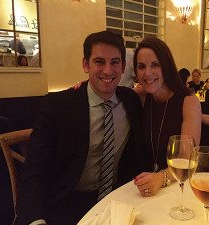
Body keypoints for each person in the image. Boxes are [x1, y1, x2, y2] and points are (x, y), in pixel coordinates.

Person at [14, 31, 148, 225]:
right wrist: (36, 219)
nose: (108, 70)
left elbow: (163, 92)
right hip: (67, 203)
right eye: (99, 62)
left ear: (123, 66)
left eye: (115, 62)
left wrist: (197, 112)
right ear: (86, 65)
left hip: (118, 200)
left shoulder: (131, 100)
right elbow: (35, 171)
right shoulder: (58, 106)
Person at [132, 37, 202, 197]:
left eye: (155, 65)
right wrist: (85, 85)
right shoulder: (141, 96)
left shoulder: (188, 101)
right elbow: (109, 92)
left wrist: (160, 178)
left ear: (167, 66)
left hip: (176, 186)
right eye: (141, 66)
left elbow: (187, 161)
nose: (147, 73)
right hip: (142, 187)